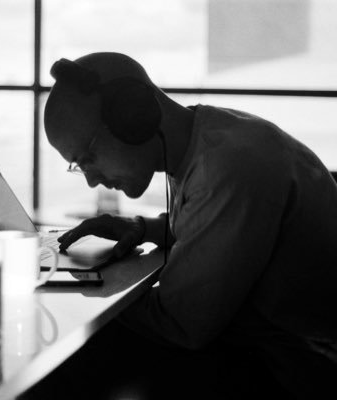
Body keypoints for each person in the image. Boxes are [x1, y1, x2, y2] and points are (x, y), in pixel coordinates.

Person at [27, 52, 337, 399]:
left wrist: (92, 289)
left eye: (89, 157)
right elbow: (213, 225)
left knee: (73, 361)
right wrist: (143, 228)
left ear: (133, 115)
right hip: (273, 342)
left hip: (306, 365)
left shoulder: (230, 168)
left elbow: (181, 325)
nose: (91, 180)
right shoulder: (212, 136)